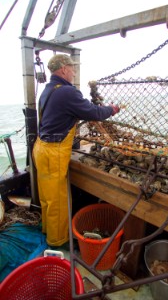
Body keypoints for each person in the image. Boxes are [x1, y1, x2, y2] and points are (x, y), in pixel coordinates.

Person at [32, 54, 120, 248]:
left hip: (41, 148)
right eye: (73, 68)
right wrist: (112, 109)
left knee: (47, 197)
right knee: (58, 201)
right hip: (53, 152)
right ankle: (57, 242)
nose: (74, 72)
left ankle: (48, 230)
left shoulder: (47, 91)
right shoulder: (67, 92)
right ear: (63, 69)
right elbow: (94, 112)